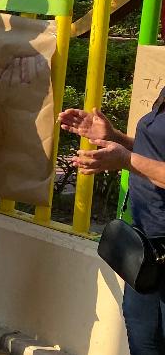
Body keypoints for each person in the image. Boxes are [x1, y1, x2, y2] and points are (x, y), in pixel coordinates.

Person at [59, 102, 165, 353]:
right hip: (148, 248)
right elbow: (156, 152)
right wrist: (113, 137)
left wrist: (127, 160)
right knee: (144, 340)